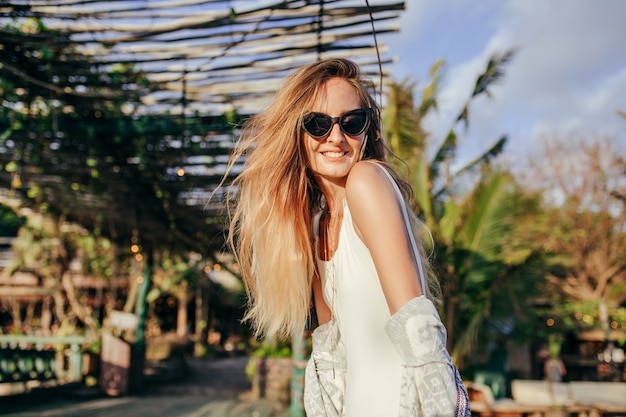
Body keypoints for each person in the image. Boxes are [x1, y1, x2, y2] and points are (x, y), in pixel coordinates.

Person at [224, 58, 469, 416]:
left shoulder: (368, 181)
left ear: (367, 130)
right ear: (298, 133)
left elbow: (418, 330)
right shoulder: (314, 224)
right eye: (318, 124)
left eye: (352, 122)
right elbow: (331, 357)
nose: (336, 137)